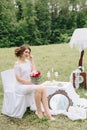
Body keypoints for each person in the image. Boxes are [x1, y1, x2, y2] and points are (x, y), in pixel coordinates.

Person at [14, 44, 55, 120]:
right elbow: (18, 79)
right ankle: (39, 111)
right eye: (26, 52)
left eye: (29, 52)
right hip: (21, 86)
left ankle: (47, 112)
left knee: (42, 88)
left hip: (29, 84)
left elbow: (34, 71)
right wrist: (31, 83)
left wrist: (32, 60)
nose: (28, 54)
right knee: (39, 88)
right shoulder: (17, 64)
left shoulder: (27, 62)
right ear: (21, 52)